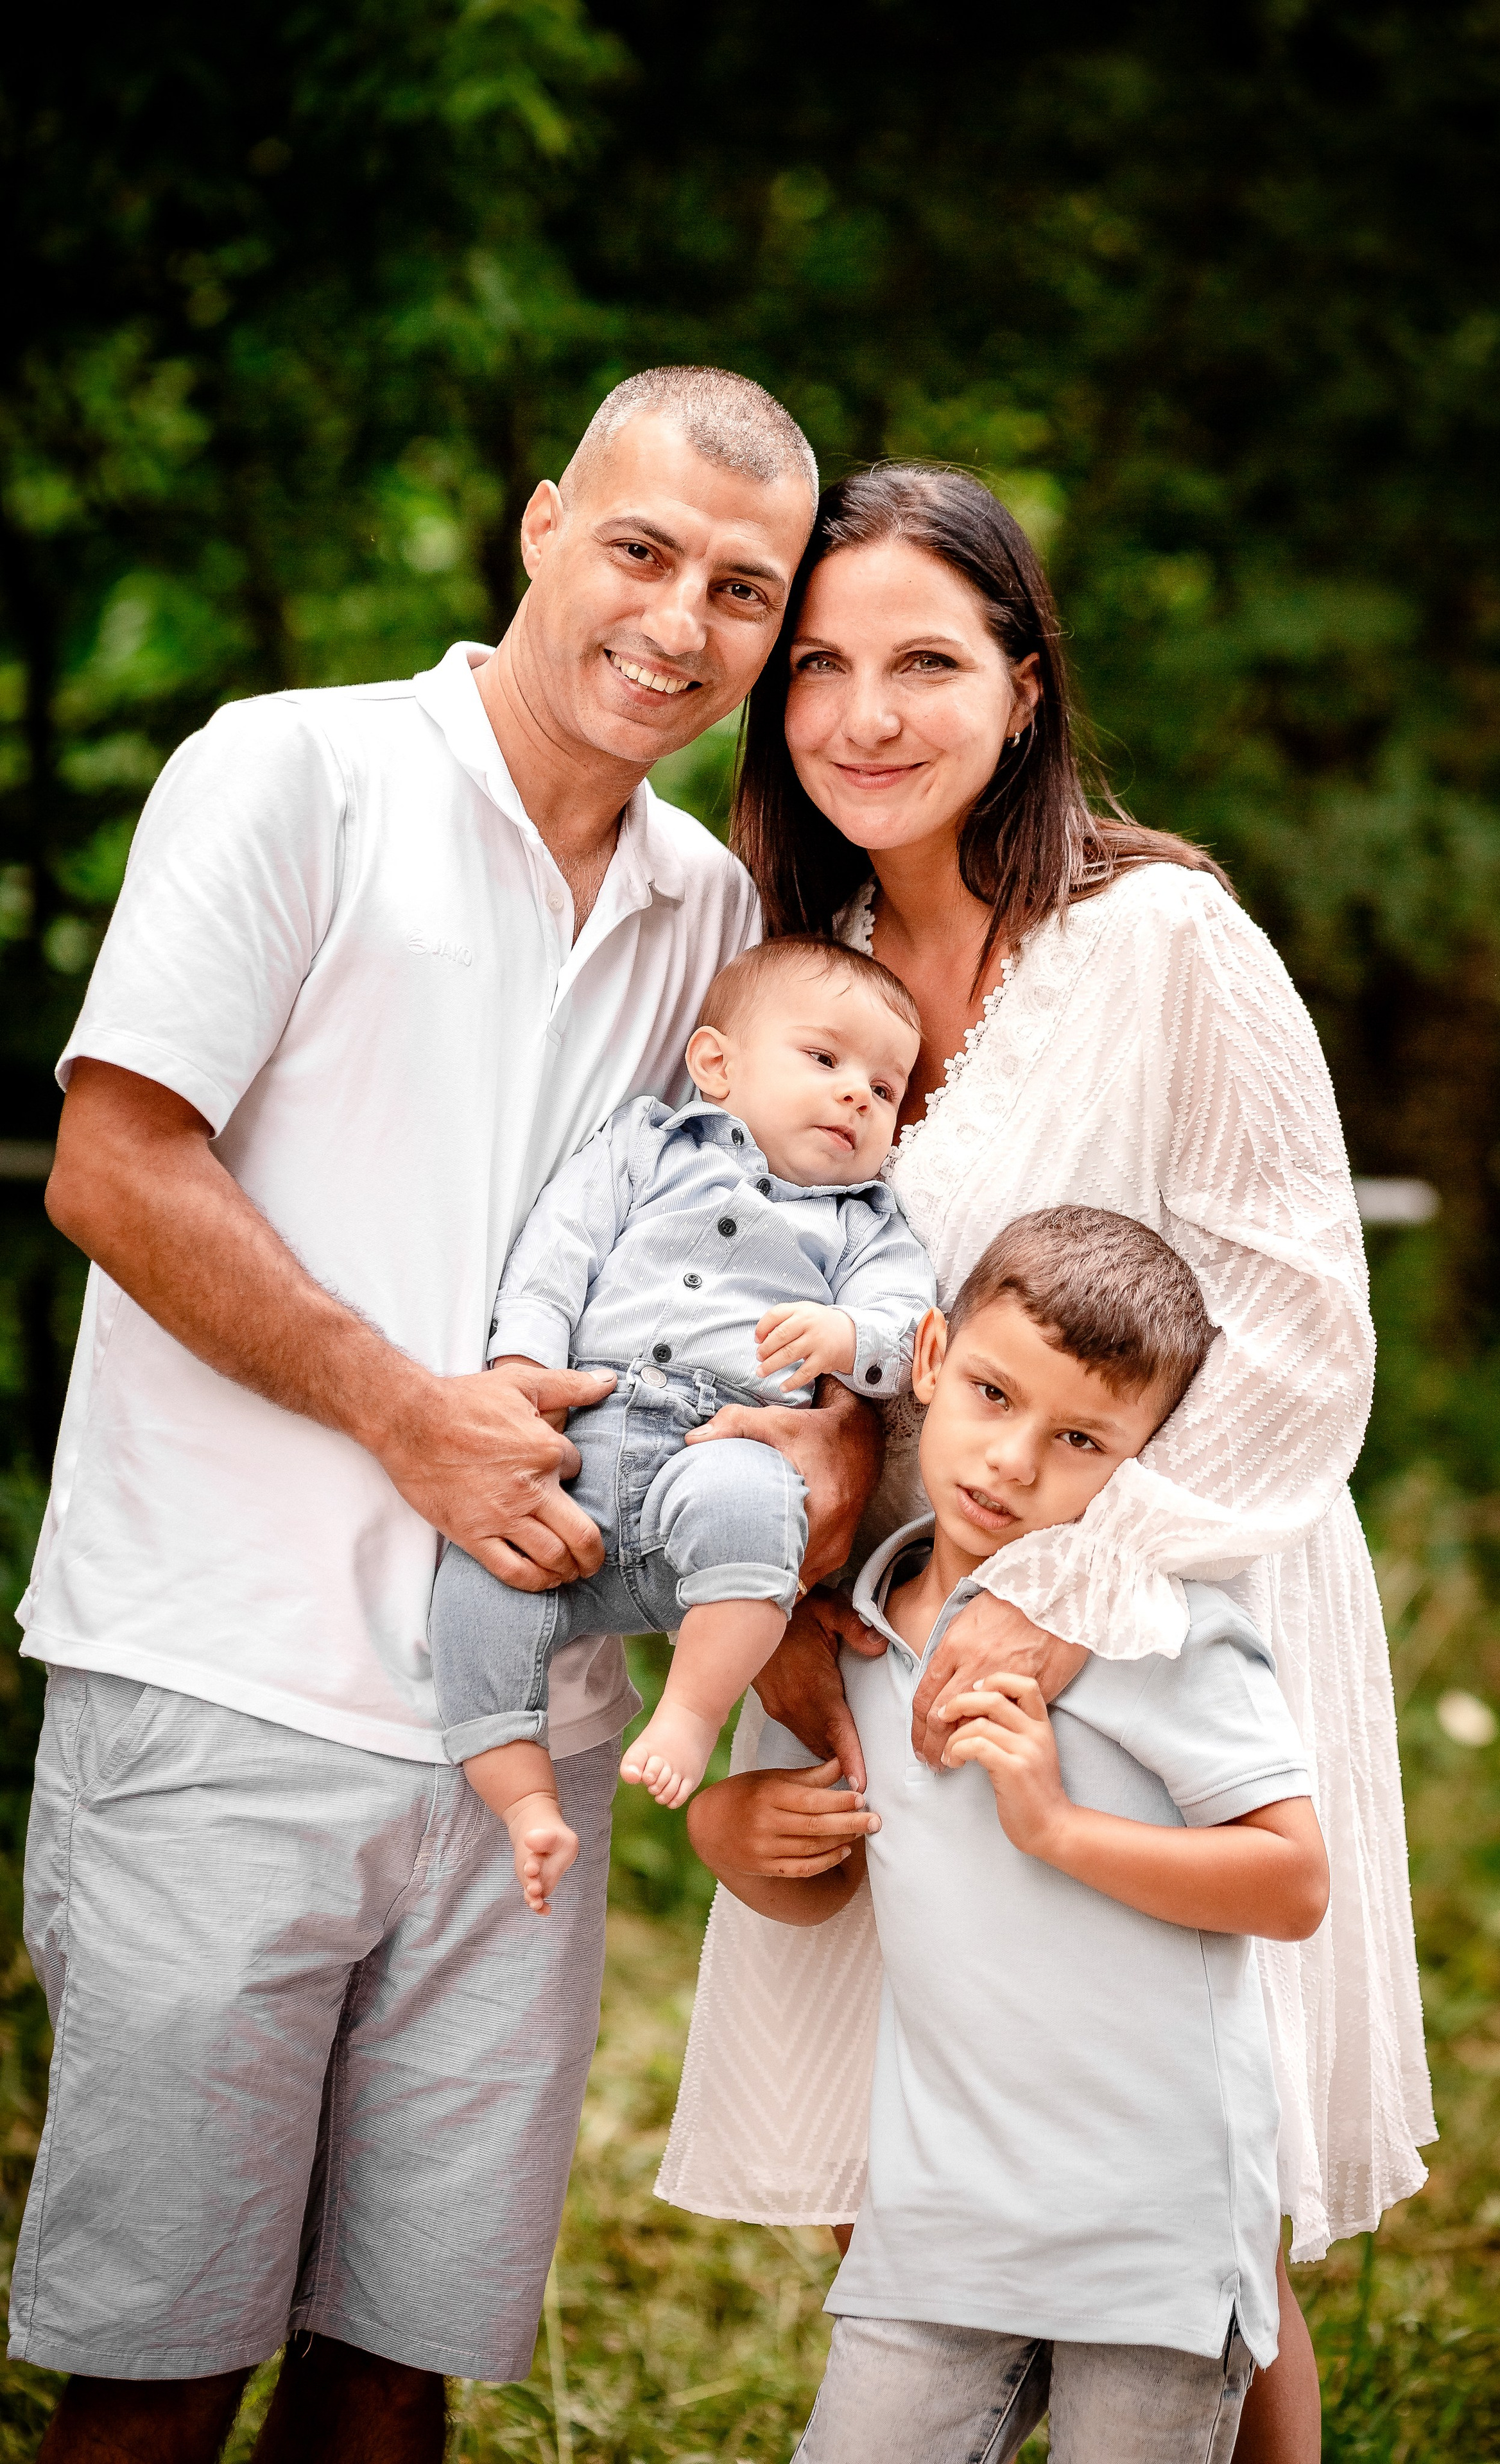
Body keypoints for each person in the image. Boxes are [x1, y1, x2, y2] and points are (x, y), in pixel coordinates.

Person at [12, 368, 886, 2464]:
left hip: (533, 1755)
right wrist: (409, 1419)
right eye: (643, 549)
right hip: (227, 1682)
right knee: (153, 2385)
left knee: (397, 2384)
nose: (680, 621)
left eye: (743, 591)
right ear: (539, 527)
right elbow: (114, 1168)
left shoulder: (709, 924)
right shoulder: (293, 775)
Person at [657, 465, 1433, 2464]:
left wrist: (1064, 1620)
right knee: (904, 2170)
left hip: (1156, 1610)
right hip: (889, 1620)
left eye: (926, 660)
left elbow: (1301, 1333)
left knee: (1176, 2217)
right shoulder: (789, 973)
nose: (863, 714)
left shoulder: (1167, 941)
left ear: (1024, 682)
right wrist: (806, 1664)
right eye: (819, 665)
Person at [689, 1209, 1330, 2464]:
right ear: (925, 1360)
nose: (1012, 1462)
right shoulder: (849, 1639)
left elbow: (1292, 1882)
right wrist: (730, 1826)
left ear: (1137, 1465)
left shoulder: (1154, 1628)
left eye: (1079, 1439)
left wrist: (1055, 1825)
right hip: (936, 2226)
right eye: (989, 1394)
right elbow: (818, 1893)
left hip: (1149, 2234)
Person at [428, 936, 935, 1901]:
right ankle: (524, 1800)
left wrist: (844, 1335)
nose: (858, 1096)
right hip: (577, 1444)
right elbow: (557, 1248)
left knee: (752, 1502)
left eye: (886, 1087)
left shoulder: (865, 1222)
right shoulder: (649, 1148)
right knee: (480, 1581)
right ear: (717, 1065)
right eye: (825, 1060)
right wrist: (523, 1367)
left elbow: (908, 1333)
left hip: (718, 1452)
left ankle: (691, 1714)